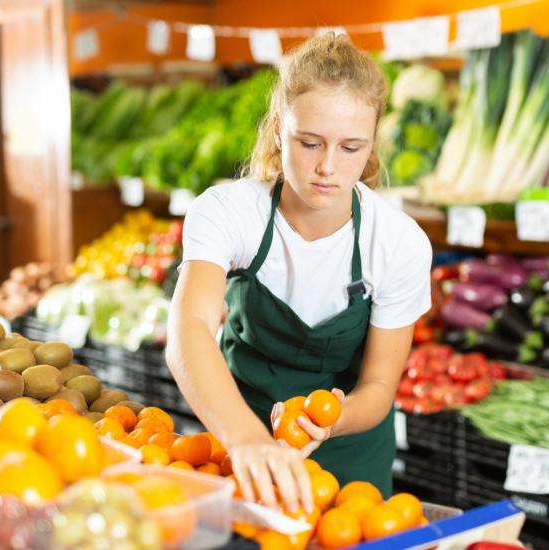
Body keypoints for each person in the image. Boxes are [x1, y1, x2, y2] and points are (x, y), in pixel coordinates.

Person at [166, 33, 432, 515]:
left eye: (351, 148)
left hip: (350, 462)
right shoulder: (228, 212)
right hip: (238, 434)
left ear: (372, 144)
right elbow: (189, 330)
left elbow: (376, 389)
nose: (327, 167)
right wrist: (247, 438)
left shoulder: (397, 242)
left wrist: (328, 422)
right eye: (309, 143)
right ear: (276, 130)